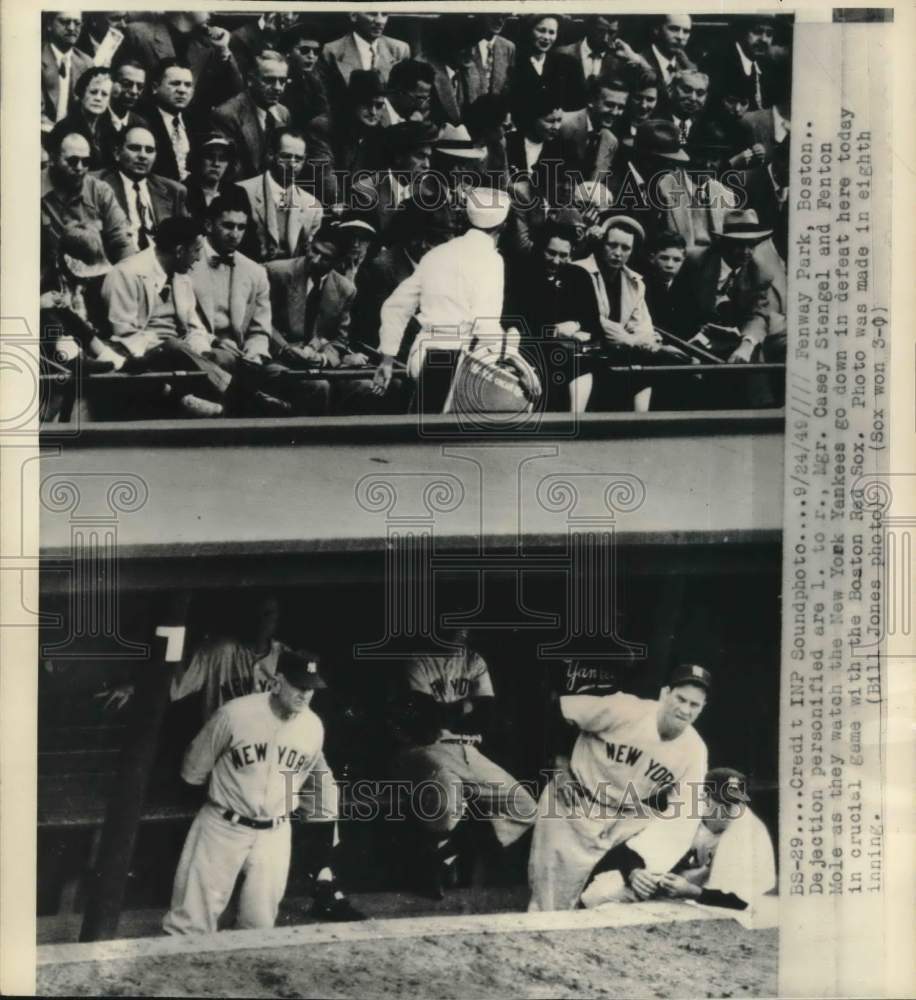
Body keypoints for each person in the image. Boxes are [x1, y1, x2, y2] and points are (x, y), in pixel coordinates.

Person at [162, 651, 347, 933]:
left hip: (274, 832)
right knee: (191, 922)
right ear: (277, 681)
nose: (305, 694)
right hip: (223, 825)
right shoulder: (235, 714)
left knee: (260, 925)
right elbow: (193, 769)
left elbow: (308, 780)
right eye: (298, 685)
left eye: (311, 688)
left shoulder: (312, 727)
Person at [527, 663, 711, 912]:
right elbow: (557, 711)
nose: (685, 709)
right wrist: (559, 766)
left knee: (608, 894)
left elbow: (685, 814)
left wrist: (643, 862)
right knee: (550, 905)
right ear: (665, 694)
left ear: (702, 709)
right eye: (681, 699)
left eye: (694, 705)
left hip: (622, 818)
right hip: (573, 803)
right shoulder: (626, 709)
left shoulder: (694, 749)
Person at [393, 629, 537, 898]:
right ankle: (436, 860)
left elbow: (488, 712)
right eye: (451, 630)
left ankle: (447, 852)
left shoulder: (473, 660)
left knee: (525, 806)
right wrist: (466, 706)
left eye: (462, 631)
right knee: (448, 805)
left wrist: (448, 711)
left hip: (468, 750)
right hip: (425, 749)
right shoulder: (419, 660)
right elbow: (424, 718)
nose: (459, 636)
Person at [372, 188, 538, 413]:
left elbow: (395, 307)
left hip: (422, 357)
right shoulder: (492, 260)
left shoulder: (436, 254)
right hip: (462, 362)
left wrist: (387, 360)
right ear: (503, 226)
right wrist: (518, 364)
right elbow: (485, 324)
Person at [581, 767, 776, 912]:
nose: (731, 811)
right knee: (596, 893)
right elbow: (629, 851)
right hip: (660, 886)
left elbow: (742, 901)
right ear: (705, 799)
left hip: (701, 898)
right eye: (723, 803)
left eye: (736, 804)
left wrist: (691, 891)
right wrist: (635, 873)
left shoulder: (749, 832)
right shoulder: (684, 814)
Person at [99, 215, 232, 417]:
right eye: (196, 251)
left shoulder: (182, 275)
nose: (198, 259)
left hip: (179, 350)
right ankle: (236, 396)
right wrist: (170, 347)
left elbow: (194, 326)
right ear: (179, 251)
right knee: (173, 346)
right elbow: (123, 331)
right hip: (142, 354)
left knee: (224, 355)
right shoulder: (126, 273)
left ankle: (208, 400)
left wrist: (202, 351)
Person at [264, 221, 366, 416]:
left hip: (318, 364)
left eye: (326, 258)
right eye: (314, 251)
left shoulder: (345, 289)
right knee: (318, 386)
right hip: (277, 358)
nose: (316, 260)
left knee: (364, 385)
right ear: (309, 245)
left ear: (338, 261)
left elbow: (340, 339)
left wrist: (322, 359)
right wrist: (286, 348)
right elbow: (261, 321)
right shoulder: (276, 272)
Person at [668, 208, 787, 365]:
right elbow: (676, 307)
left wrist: (747, 344)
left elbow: (758, 315)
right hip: (689, 339)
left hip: (732, 344)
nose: (746, 252)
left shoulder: (760, 274)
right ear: (724, 243)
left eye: (751, 246)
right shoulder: (696, 262)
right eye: (740, 245)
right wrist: (689, 347)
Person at [506, 220, 601, 412]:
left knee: (585, 368)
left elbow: (594, 325)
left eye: (563, 255)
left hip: (571, 355)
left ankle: (578, 426)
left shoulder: (579, 277)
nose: (556, 261)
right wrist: (554, 331)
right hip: (532, 354)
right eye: (551, 253)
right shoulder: (522, 275)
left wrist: (576, 327)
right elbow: (514, 323)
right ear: (540, 248)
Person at [572, 214, 663, 412]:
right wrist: (632, 340)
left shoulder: (635, 282)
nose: (617, 253)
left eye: (625, 248)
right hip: (588, 350)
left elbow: (642, 326)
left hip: (618, 352)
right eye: (612, 245)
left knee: (646, 368)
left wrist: (640, 339)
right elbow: (595, 322)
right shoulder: (580, 272)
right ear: (601, 244)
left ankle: (642, 425)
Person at [352, 200, 454, 352]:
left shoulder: (441, 268)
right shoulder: (381, 270)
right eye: (441, 243)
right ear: (419, 242)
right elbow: (384, 331)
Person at [41, 124, 135, 265]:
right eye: (72, 161)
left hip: (95, 275)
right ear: (53, 159)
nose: (80, 168)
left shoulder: (100, 191)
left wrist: (126, 276)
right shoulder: (30, 190)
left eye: (86, 162)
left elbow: (121, 242)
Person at [119, 12, 244, 114]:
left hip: (188, 131)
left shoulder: (206, 45)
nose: (213, 10)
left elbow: (235, 94)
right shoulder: (139, 34)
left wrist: (223, 50)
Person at [93, 125, 189, 250]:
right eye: (134, 148)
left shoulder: (174, 191)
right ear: (117, 152)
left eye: (149, 150)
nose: (143, 156)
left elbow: (186, 240)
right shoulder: (97, 184)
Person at [237, 128, 324, 263]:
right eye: (286, 156)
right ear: (271, 155)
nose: (292, 164)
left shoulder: (312, 206)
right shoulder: (242, 192)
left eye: (299, 159)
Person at [211, 48, 291, 181]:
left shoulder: (283, 113)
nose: (278, 88)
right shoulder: (227, 115)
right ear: (251, 80)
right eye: (269, 80)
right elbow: (230, 171)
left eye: (282, 81)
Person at [351, 121, 437, 239]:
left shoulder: (426, 195)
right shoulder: (365, 191)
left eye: (429, 158)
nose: (427, 165)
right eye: (420, 156)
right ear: (399, 157)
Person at [555, 15, 650, 111]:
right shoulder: (562, 54)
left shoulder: (619, 61)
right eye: (600, 31)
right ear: (589, 28)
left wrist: (636, 59)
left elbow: (651, 81)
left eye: (611, 33)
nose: (605, 38)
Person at [140, 60, 206, 183]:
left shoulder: (196, 122)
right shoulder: (143, 122)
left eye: (188, 85)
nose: (182, 90)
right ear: (155, 87)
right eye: (175, 83)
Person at [559, 75, 627, 183]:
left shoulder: (610, 141)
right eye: (609, 105)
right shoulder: (564, 125)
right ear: (591, 101)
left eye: (621, 107)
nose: (615, 112)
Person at [510, 14, 579, 116]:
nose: (547, 37)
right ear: (529, 31)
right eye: (541, 30)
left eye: (552, 32)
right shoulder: (516, 62)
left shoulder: (565, 64)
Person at [58, 66, 120, 168]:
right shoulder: (64, 129)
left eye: (104, 94)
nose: (98, 98)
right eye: (93, 92)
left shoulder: (109, 130)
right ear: (82, 94)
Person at [41, 12, 93, 132]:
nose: (71, 28)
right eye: (64, 22)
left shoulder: (86, 63)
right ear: (49, 25)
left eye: (77, 23)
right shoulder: (35, 57)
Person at [331, 70, 387, 179]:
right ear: (352, 102)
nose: (373, 112)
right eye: (367, 104)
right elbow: (326, 179)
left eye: (379, 106)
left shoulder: (381, 136)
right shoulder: (328, 128)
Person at [229, 11, 302, 81]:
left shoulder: (291, 40)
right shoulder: (240, 38)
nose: (289, 17)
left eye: (295, 12)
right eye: (284, 9)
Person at [183, 132, 238, 224]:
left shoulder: (237, 194)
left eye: (222, 158)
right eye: (210, 156)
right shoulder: (182, 192)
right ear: (197, 159)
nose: (216, 163)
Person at [639, 15, 694, 106]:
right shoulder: (637, 62)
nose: (680, 37)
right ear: (656, 29)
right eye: (674, 29)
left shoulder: (688, 68)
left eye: (686, 31)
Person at [643, 232, 687, 334]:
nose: (670, 265)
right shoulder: (642, 287)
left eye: (677, 260)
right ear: (652, 258)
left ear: (683, 261)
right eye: (664, 258)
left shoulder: (686, 289)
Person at [465, 14, 516, 103]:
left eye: (504, 17)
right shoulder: (467, 45)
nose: (500, 21)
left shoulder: (509, 48)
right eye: (494, 16)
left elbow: (509, 86)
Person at [662, 69, 710, 146]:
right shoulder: (657, 123)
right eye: (686, 90)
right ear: (670, 90)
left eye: (700, 93)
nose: (693, 98)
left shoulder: (707, 131)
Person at [108, 59, 150, 135]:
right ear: (111, 82)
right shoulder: (95, 118)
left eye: (140, 86)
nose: (134, 91)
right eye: (126, 84)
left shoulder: (141, 126)